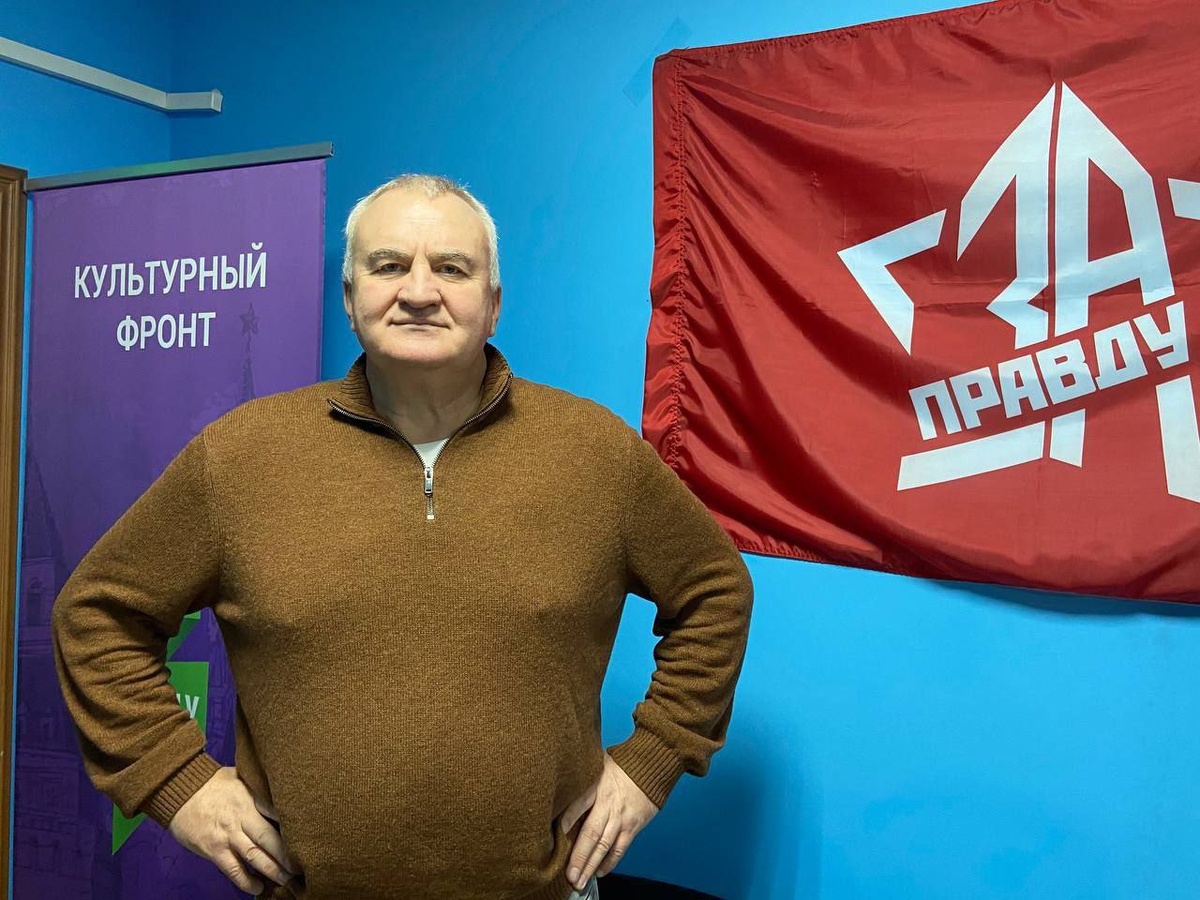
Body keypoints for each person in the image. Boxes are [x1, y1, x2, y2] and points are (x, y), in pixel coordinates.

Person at [52, 174, 753, 900]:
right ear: (350, 298)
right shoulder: (241, 456)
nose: (419, 291)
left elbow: (714, 590)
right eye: (388, 265)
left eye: (452, 268)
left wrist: (651, 761)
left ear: (493, 304)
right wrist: (177, 782)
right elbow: (96, 615)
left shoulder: (594, 453)